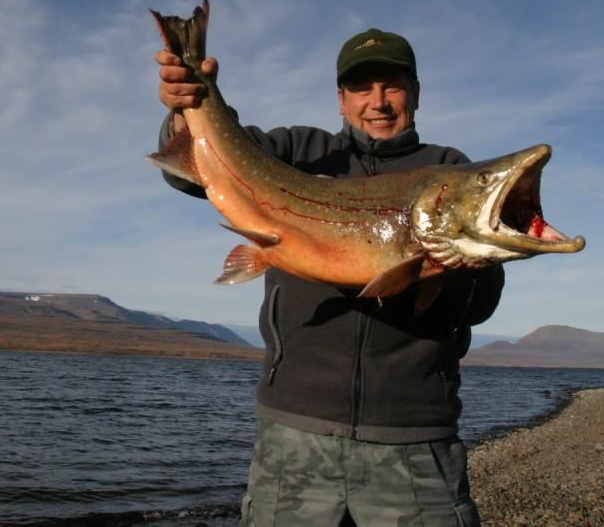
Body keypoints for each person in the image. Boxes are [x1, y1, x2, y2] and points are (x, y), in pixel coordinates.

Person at [155, 27, 505, 527]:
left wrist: (467, 262)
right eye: (362, 88)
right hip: (293, 436)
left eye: (393, 86)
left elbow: (480, 305)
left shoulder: (448, 170)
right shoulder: (297, 149)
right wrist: (184, 104)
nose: (378, 102)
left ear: (417, 93)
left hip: (413, 439)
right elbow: (197, 164)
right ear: (341, 99)